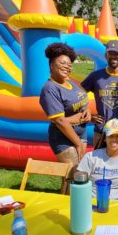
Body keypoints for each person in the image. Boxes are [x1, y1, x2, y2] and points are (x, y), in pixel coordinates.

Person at [39, 43, 91, 173]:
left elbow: (82, 99)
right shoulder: (50, 88)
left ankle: (65, 194)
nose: (67, 67)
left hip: (81, 134)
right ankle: (68, 194)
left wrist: (87, 110)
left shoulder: (69, 83)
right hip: (63, 138)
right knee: (76, 173)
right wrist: (78, 143)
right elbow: (60, 121)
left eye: (69, 64)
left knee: (71, 175)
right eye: (62, 63)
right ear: (51, 65)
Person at [81, 40, 118, 148]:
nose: (113, 56)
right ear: (106, 55)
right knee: (99, 163)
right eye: (110, 53)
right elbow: (77, 95)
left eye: (117, 53)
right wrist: (87, 111)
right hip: (101, 131)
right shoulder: (96, 76)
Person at [77, 118, 118, 202]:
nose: (114, 139)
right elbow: (79, 189)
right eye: (111, 136)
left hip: (116, 209)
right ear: (105, 138)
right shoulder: (90, 157)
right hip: (90, 205)